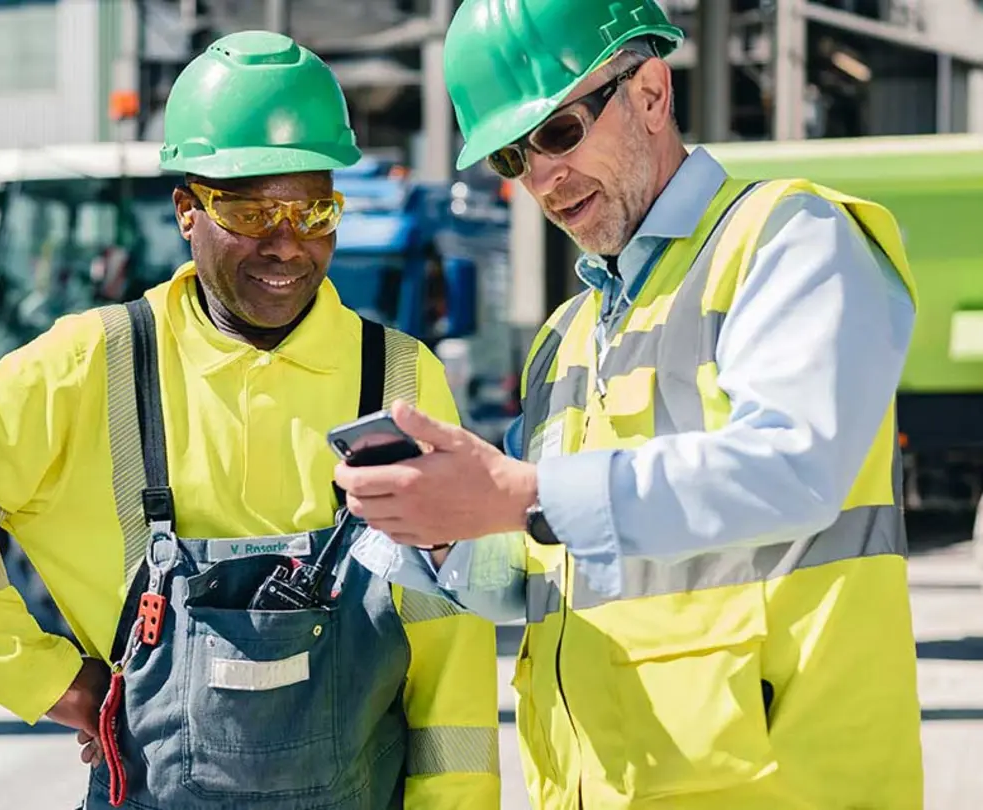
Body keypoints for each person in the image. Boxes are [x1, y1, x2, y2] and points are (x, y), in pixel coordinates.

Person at [334, 1, 924, 808]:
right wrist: (445, 535)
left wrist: (526, 492)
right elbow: (544, 561)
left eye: (558, 132)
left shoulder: (788, 240)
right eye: (514, 156)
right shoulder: (565, 338)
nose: (542, 177)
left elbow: (795, 464)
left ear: (650, 93)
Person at [0, 31, 500, 810]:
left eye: (314, 209)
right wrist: (54, 682)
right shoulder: (96, 362)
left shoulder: (397, 379)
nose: (288, 245)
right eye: (252, 212)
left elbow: (446, 630)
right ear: (188, 209)